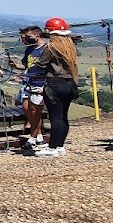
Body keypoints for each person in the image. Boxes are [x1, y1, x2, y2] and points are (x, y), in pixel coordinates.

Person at [34, 18, 79, 158]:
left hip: (54, 84)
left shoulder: (51, 47)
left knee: (56, 117)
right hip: (70, 84)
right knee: (64, 116)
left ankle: (52, 148)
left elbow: (41, 65)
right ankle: (60, 146)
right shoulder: (70, 46)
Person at [12, 26, 47, 152]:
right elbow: (26, 65)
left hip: (39, 83)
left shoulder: (46, 49)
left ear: (37, 36)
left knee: (35, 111)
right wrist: (16, 66)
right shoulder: (29, 50)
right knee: (27, 109)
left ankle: (34, 139)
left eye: (28, 37)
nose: (26, 39)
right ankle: (38, 136)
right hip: (28, 83)